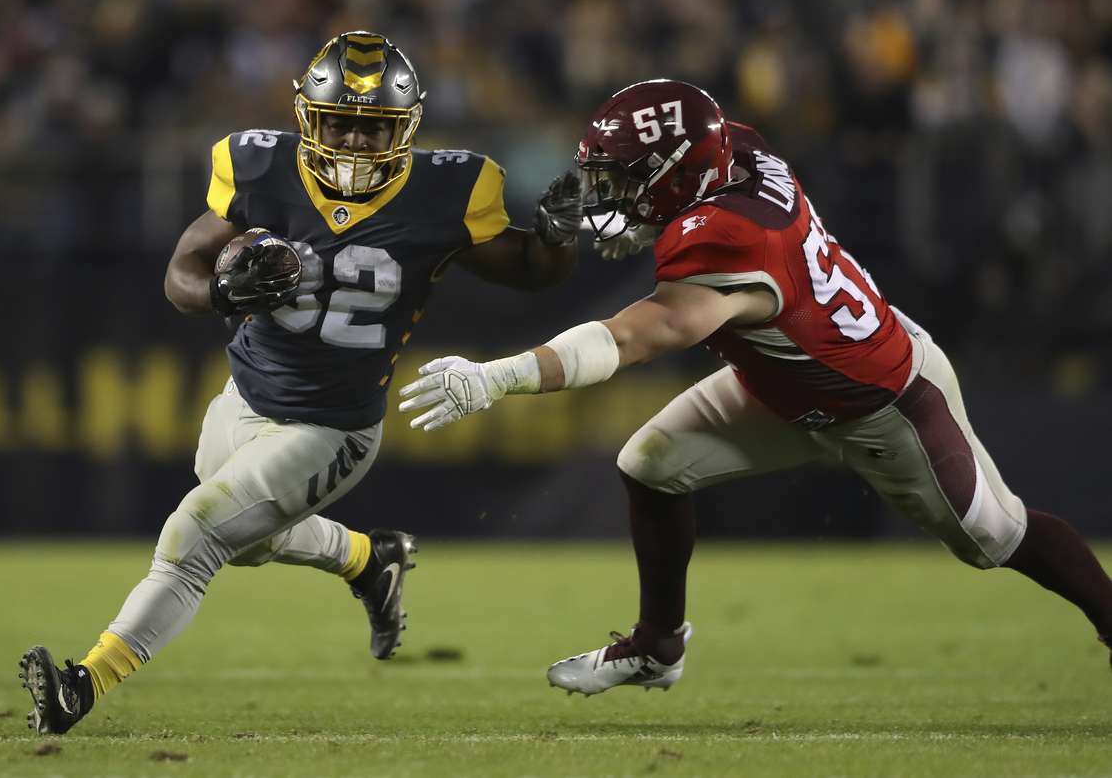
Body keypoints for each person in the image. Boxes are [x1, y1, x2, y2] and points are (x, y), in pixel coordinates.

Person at [398, 79, 1112, 695]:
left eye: (624, 180)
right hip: (782, 381)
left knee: (996, 535)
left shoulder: (731, 234)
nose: (608, 196)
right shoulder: (734, 151)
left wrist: (499, 376)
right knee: (650, 464)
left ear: (679, 177)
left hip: (884, 403)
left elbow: (630, 337)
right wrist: (653, 216)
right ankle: (657, 645)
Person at [18, 31, 580, 733]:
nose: (349, 139)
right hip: (242, 398)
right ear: (306, 117)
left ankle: (83, 683)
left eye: (370, 127)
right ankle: (369, 558)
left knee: (197, 531)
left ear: (404, 129)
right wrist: (223, 292)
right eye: (338, 120)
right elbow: (182, 271)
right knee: (248, 537)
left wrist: (558, 235)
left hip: (332, 426)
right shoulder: (259, 167)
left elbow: (529, 270)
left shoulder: (448, 191)